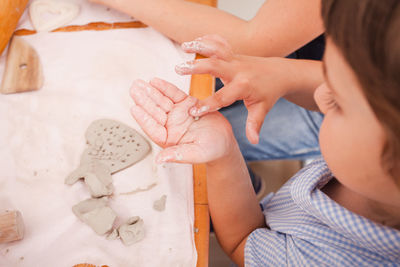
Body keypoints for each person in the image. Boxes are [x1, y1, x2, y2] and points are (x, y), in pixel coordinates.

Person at [129, 0, 400, 265]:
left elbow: (244, 239)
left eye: (337, 103)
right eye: (327, 75)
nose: (319, 92)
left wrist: (222, 158)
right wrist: (224, 153)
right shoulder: (371, 172)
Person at [89, 0, 325, 162]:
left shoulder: (343, 111)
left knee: (216, 145)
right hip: (312, 65)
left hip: (339, 105)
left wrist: (283, 72)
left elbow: (254, 41)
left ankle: (247, 188)